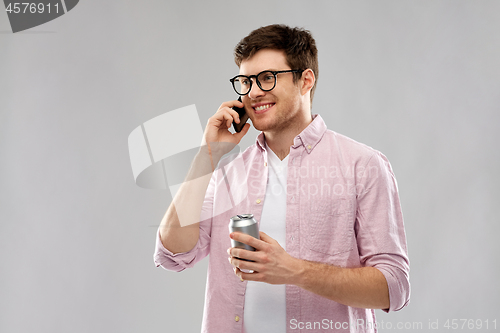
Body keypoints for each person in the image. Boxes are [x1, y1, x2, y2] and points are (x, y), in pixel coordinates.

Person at [154, 24, 410, 333]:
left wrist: (294, 271)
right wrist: (205, 157)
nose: (253, 92)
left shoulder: (363, 165)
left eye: (267, 78)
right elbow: (172, 254)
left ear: (305, 80)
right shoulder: (226, 174)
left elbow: (393, 287)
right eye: (245, 82)